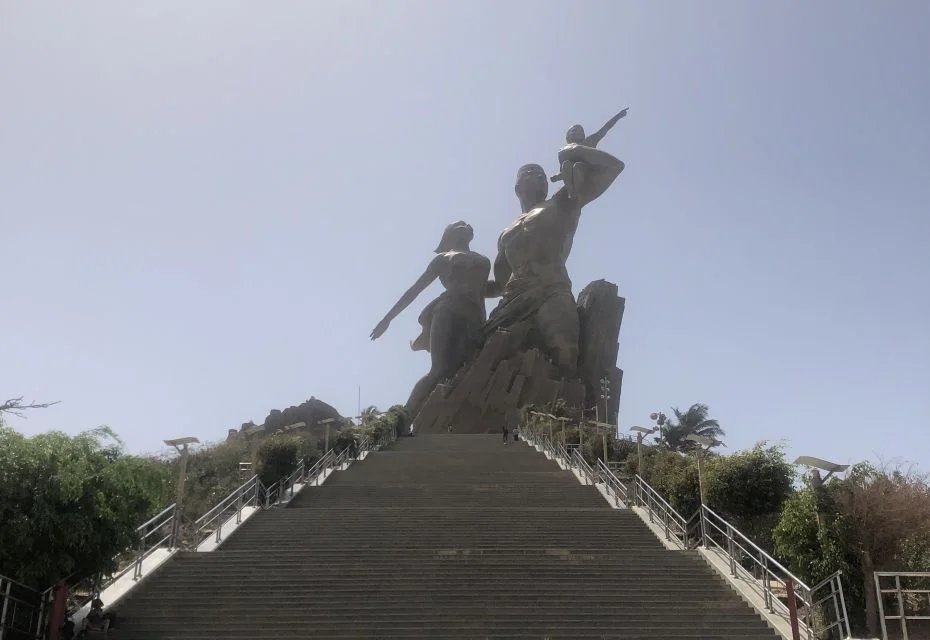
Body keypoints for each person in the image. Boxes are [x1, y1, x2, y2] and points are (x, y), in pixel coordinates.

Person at [484, 129, 625, 379]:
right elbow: (499, 284)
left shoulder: (562, 201)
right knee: (485, 359)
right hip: (513, 299)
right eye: (530, 172)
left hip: (551, 290)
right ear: (517, 188)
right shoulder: (506, 234)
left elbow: (613, 166)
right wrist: (466, 289)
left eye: (541, 174)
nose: (538, 176)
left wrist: (574, 149)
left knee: (566, 355)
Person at [371, 222, 491, 419]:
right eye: (459, 225)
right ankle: (401, 419)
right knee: (439, 370)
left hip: (474, 318)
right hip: (448, 311)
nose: (465, 225)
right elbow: (414, 290)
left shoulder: (484, 260)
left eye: (466, 224)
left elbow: (484, 291)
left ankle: (442, 420)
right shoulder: (443, 259)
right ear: (449, 235)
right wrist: (388, 319)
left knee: (463, 372)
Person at [550, 108, 628, 199]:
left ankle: (577, 191)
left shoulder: (588, 142)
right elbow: (564, 170)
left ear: (583, 135)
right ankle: (571, 192)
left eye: (581, 131)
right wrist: (558, 176)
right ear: (568, 137)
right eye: (574, 131)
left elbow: (604, 129)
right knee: (566, 164)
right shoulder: (563, 151)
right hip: (569, 174)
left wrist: (618, 116)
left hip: (586, 170)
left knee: (578, 166)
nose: (577, 132)